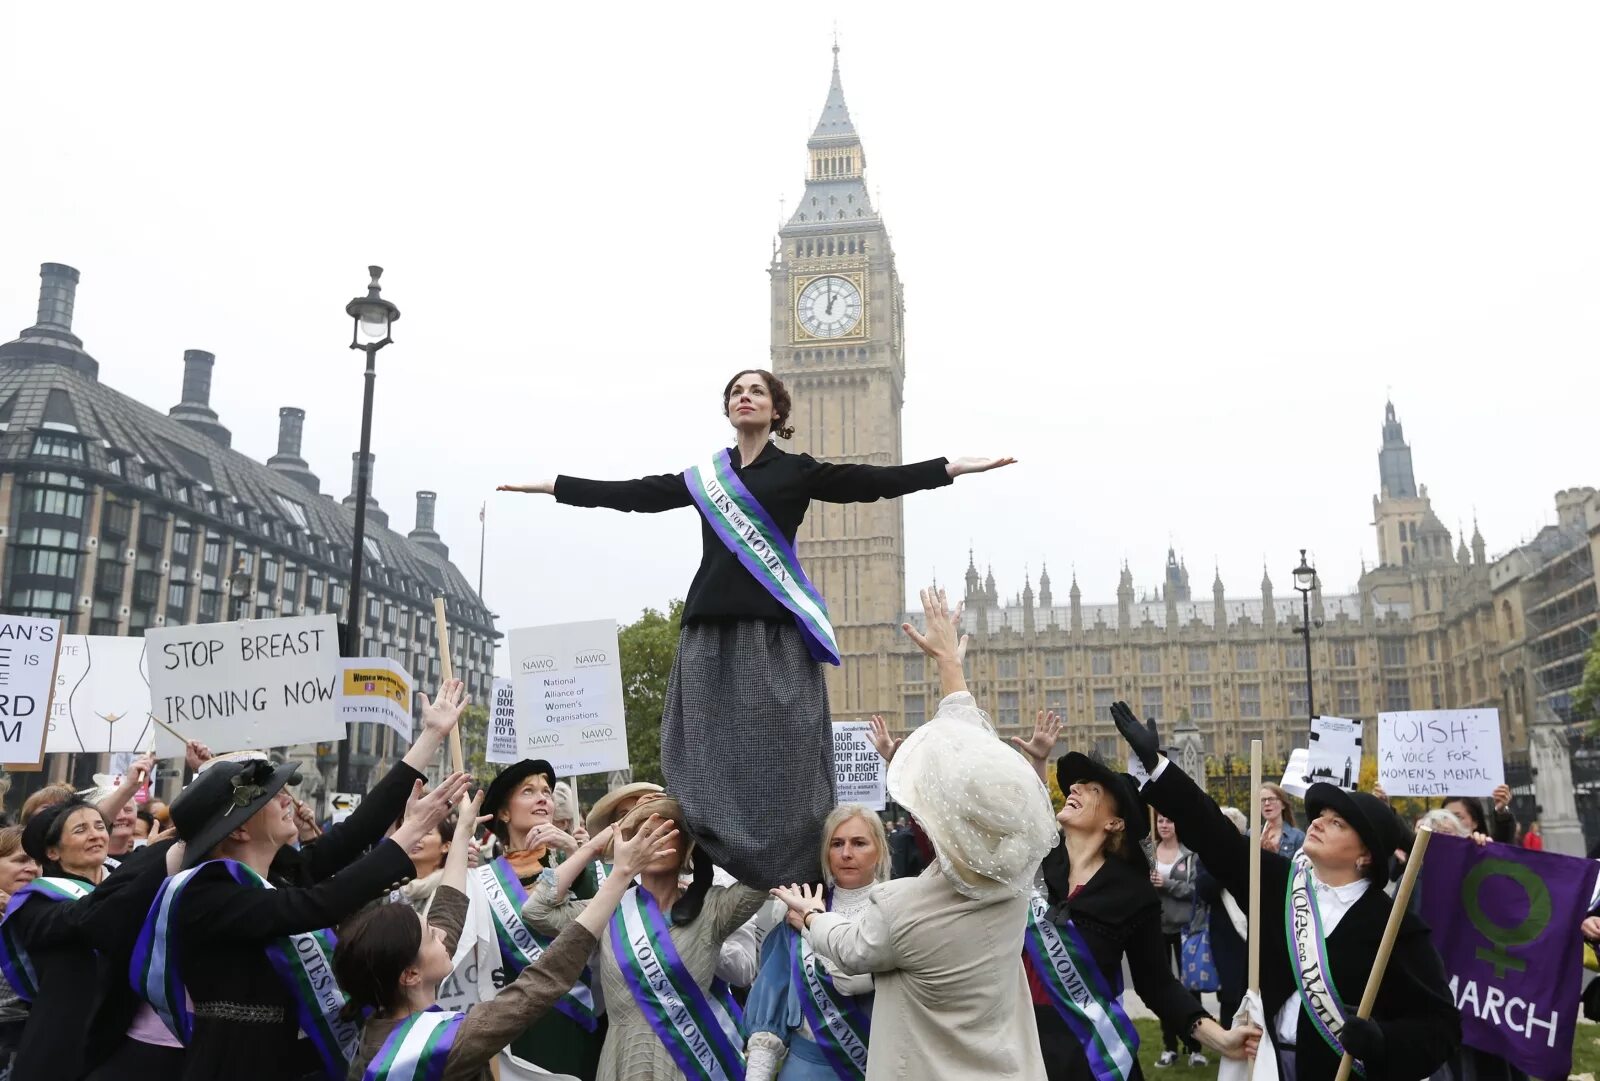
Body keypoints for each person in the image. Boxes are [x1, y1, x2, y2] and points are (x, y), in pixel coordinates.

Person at [498, 368, 1014, 895]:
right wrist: (554, 486)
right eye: (737, 392)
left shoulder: (795, 471)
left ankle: (800, 876)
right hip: (707, 634)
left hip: (774, 638)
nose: (746, 398)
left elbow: (872, 482)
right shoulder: (705, 479)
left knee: (783, 757)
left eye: (757, 391)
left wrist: (949, 468)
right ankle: (704, 869)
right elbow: (635, 494)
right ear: (728, 410)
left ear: (776, 410)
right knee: (698, 756)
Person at [769, 586, 1059, 1081]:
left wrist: (814, 916)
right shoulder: (1013, 881)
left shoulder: (902, 910)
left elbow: (847, 950)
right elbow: (977, 773)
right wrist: (951, 668)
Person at [1112, 701, 1461, 1081]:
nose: (1319, 824)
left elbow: (1440, 1026)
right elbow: (1213, 833)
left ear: (1365, 855)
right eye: (1320, 817)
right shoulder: (1279, 883)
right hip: (1269, 1065)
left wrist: (1383, 1042)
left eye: (1337, 822)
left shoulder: (1394, 925)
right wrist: (1158, 767)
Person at [337, 796, 681, 1081]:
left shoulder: (379, 1028)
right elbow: (544, 978)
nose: (443, 935)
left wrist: (461, 834)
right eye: (431, 937)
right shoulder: (450, 1044)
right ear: (410, 974)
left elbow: (447, 912)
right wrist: (621, 874)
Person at [523, 794, 769, 1080]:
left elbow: (764, 873)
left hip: (693, 1063)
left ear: (686, 846)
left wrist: (713, 828)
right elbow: (536, 909)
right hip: (624, 1061)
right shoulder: (608, 908)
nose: (655, 839)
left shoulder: (712, 908)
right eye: (644, 833)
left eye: (667, 831)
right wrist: (592, 847)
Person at [0, 797, 174, 1079]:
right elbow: (91, 915)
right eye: (80, 830)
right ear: (53, 852)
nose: (95, 834)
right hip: (62, 1050)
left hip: (126, 1046)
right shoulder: (35, 904)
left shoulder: (129, 880)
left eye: (98, 826)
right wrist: (152, 857)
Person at [744, 804, 890, 1080]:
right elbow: (769, 1012)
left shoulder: (894, 911)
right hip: (805, 1069)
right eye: (837, 844)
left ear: (879, 850)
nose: (846, 853)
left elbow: (856, 977)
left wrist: (812, 926)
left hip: (876, 1068)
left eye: (859, 843)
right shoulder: (795, 913)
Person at [482, 758, 604, 1079]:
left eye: (547, 792)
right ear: (504, 812)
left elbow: (601, 916)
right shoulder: (485, 881)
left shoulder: (575, 865)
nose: (543, 798)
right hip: (514, 1029)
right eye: (529, 791)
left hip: (573, 1020)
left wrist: (575, 854)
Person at [1150, 813, 1206, 1068]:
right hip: (1156, 927)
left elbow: (1196, 891)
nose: (1164, 825)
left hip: (1186, 928)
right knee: (1162, 987)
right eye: (1161, 821)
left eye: (1170, 821)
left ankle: (1195, 1048)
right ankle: (1169, 1047)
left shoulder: (1190, 854)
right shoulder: (1149, 852)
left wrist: (1168, 884)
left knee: (1190, 989)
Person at [1259, 784, 1304, 859]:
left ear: (1283, 805)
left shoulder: (1298, 837)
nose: (1267, 803)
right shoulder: (1252, 833)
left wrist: (1274, 856)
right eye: (1263, 800)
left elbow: (1299, 869)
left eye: (1271, 799)